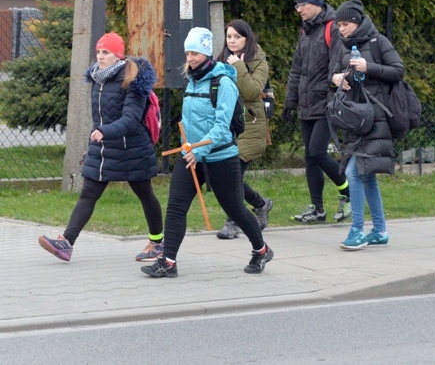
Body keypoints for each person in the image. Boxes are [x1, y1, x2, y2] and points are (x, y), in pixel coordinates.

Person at [141, 27, 273, 277]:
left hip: (220, 157)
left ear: (207, 54)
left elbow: (222, 127)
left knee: (236, 209)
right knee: (176, 207)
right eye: (188, 53)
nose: (190, 58)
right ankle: (168, 262)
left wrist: (199, 151)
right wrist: (187, 146)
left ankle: (261, 250)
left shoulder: (223, 83)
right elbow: (188, 120)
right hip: (190, 156)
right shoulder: (191, 81)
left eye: (196, 53)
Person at [38, 32, 164, 262]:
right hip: (104, 147)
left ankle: (157, 244)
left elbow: (131, 118)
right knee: (88, 194)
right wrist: (100, 135)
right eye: (98, 52)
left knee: (145, 193)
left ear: (118, 55)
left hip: (131, 148)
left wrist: (104, 131)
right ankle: (66, 242)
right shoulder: (98, 78)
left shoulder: (132, 78)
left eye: (106, 52)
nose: (100, 56)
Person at [330, 0, 404, 250]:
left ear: (358, 22)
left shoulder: (377, 41)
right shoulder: (342, 46)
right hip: (355, 119)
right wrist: (337, 77)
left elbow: (398, 71)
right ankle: (380, 231)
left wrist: (368, 67)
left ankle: (357, 231)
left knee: (354, 173)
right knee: (367, 175)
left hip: (377, 118)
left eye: (346, 24)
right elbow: (333, 72)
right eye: (339, 24)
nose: (342, 28)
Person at [283, 0, 351, 223]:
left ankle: (347, 190)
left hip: (326, 103)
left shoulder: (332, 28)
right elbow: (297, 70)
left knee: (318, 152)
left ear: (316, 4)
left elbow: (338, 66)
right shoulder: (305, 32)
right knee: (310, 157)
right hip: (306, 104)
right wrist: (290, 102)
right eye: (297, 5)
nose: (299, 9)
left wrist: (332, 99)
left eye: (302, 5)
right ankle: (318, 208)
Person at [215, 19, 274, 240]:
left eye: (237, 37)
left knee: (232, 177)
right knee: (226, 177)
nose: (232, 41)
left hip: (250, 125)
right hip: (226, 124)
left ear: (247, 39)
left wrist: (238, 67)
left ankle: (233, 223)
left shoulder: (259, 61)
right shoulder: (221, 60)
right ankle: (260, 204)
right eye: (229, 36)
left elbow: (252, 92)